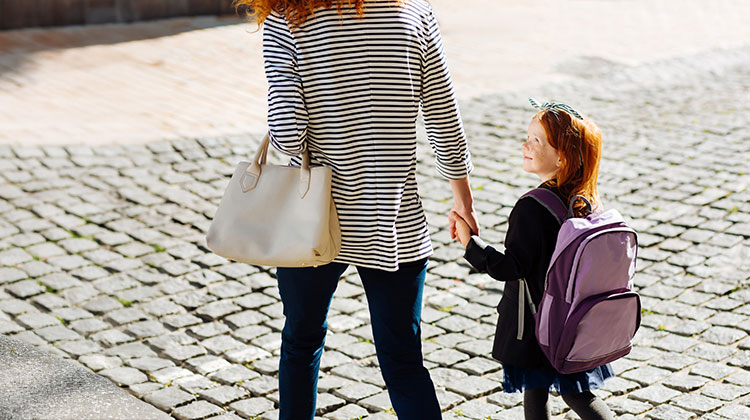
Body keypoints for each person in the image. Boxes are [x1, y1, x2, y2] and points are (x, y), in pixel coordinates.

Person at [234, 1, 478, 419]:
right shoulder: (413, 11)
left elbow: (289, 137)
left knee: (300, 342)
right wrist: (463, 199)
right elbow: (442, 114)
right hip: (394, 219)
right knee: (403, 361)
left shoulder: (285, 20)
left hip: (311, 219)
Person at [451, 99, 615, 420]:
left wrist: (470, 243)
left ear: (561, 157)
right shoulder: (583, 200)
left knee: (539, 394)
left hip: (538, 323)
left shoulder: (531, 207)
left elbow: (510, 267)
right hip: (572, 321)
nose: (525, 144)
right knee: (576, 393)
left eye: (536, 140)